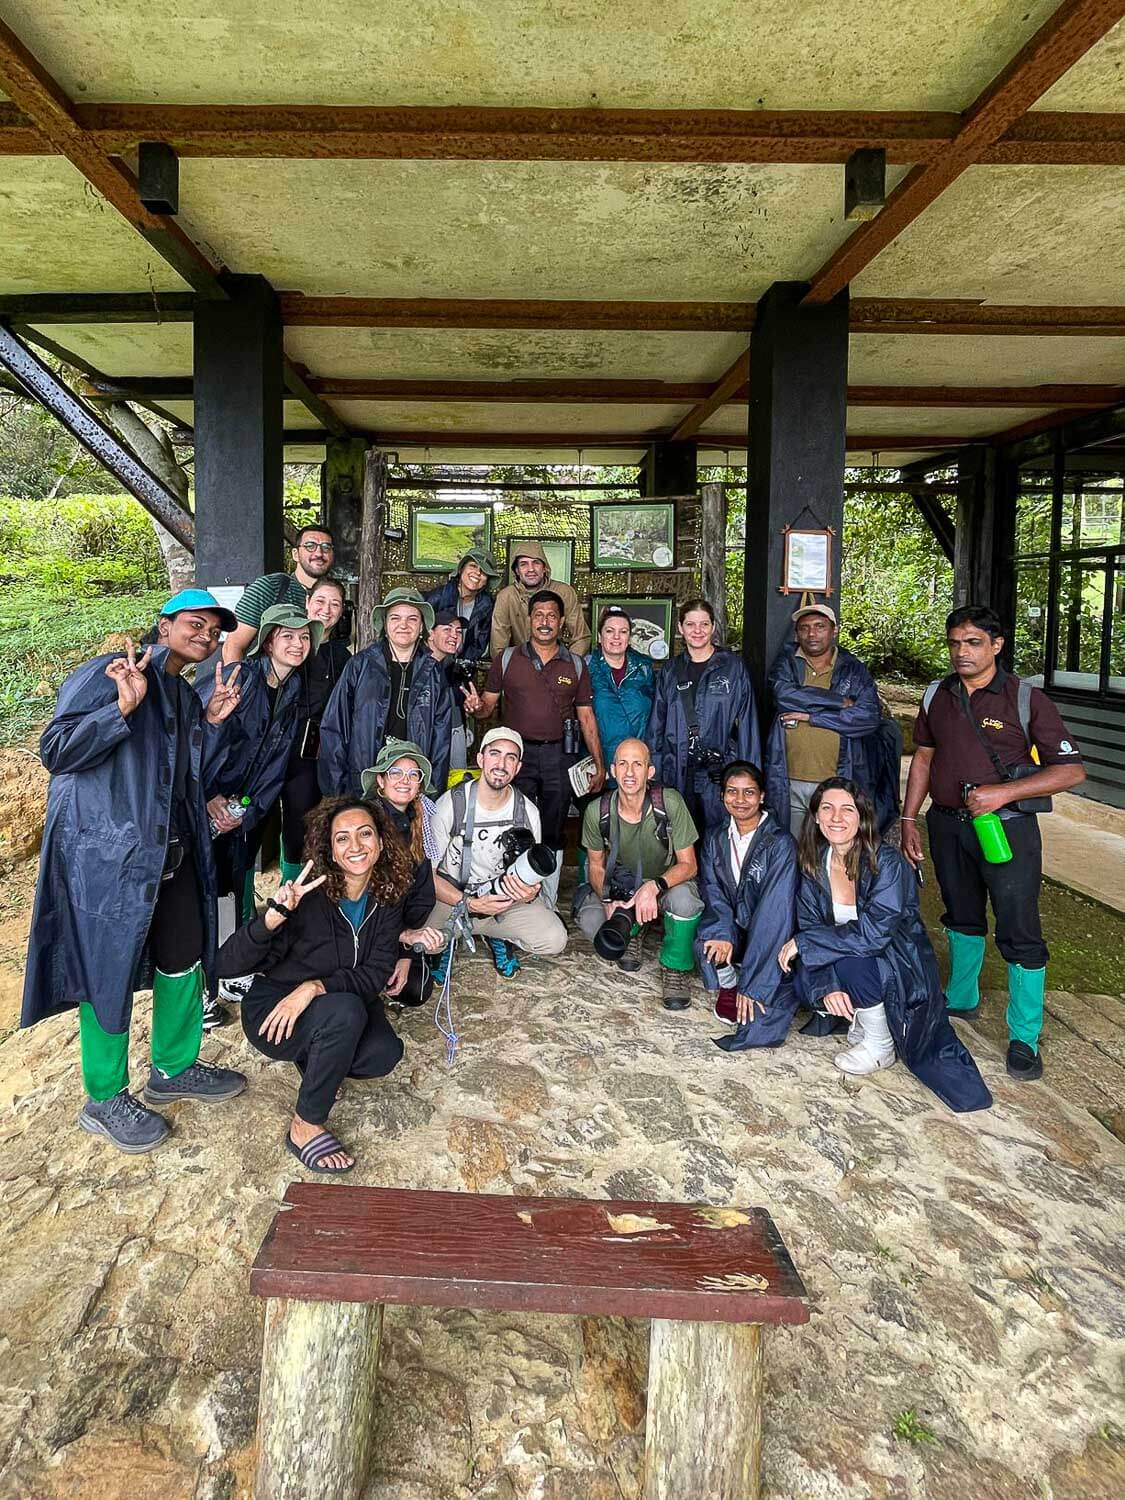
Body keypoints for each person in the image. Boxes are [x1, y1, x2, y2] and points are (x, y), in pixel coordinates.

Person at [22, 589, 248, 1153]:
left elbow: (178, 776)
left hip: (171, 856)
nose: (206, 636)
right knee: (108, 969)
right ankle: (104, 1097)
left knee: (184, 957)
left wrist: (213, 722)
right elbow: (56, 750)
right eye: (195, 624)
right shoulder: (111, 673)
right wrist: (118, 708)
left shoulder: (184, 692)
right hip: (110, 862)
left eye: (214, 631)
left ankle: (172, 1069)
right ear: (164, 624)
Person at [901, 605, 1086, 1082]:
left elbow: (1070, 770)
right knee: (960, 912)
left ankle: (1024, 1035)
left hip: (1006, 828)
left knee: (1018, 925)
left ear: (996, 645)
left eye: (973, 642)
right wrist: (908, 818)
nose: (962, 652)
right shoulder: (937, 695)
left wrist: (1005, 791)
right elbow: (923, 758)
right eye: (955, 643)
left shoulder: (1024, 698)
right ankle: (961, 998)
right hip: (946, 823)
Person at [218, 798, 413, 1173]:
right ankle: (305, 1125)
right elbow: (227, 964)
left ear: (382, 843)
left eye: (365, 834)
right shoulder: (308, 899)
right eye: (342, 839)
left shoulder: (388, 897)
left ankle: (316, 1059)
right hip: (276, 1012)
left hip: (328, 1001)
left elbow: (375, 972)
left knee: (383, 1053)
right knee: (346, 1012)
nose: (355, 846)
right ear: (332, 851)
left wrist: (313, 987)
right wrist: (273, 917)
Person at [777, 779, 992, 1111]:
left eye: (847, 809)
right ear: (816, 818)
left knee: (845, 956)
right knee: (806, 972)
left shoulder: (887, 862)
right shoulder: (813, 863)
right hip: (851, 955)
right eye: (827, 809)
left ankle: (880, 1044)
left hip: (897, 959)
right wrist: (829, 984)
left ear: (862, 817)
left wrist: (806, 944)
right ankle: (865, 1017)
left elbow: (873, 935)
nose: (836, 818)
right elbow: (812, 926)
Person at [479, 590, 605, 904]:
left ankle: (545, 901)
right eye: (539, 615)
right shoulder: (507, 659)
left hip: (559, 756)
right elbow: (486, 707)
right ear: (529, 619)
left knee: (553, 827)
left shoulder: (575, 665)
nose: (545, 621)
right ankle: (508, 898)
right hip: (516, 758)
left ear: (562, 622)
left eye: (551, 615)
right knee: (515, 824)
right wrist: (474, 706)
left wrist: (599, 764)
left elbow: (586, 717)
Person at [427, 727, 568, 979]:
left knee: (554, 939)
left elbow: (530, 872)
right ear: (481, 759)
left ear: (518, 767)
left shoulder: (528, 812)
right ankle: (451, 937)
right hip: (454, 898)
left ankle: (496, 934)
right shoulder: (451, 804)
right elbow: (429, 876)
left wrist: (528, 891)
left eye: (510, 758)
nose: (501, 764)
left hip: (503, 902)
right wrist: (469, 902)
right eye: (494, 754)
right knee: (422, 937)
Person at [575, 739, 702, 1010]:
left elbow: (689, 865)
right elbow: (596, 866)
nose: (629, 773)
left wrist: (654, 886)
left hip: (667, 882)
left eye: (637, 764)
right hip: (626, 885)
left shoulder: (669, 802)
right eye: (622, 764)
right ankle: (632, 928)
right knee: (591, 920)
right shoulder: (597, 810)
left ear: (650, 772)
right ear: (612, 771)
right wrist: (608, 899)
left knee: (685, 902)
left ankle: (675, 968)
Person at [765, 603, 893, 837]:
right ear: (797, 633)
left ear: (834, 631)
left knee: (831, 851)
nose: (811, 634)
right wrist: (838, 702)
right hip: (788, 781)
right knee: (790, 850)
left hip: (835, 782)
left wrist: (812, 717)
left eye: (819, 627)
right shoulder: (788, 662)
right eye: (804, 628)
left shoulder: (853, 670)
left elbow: (868, 717)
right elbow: (783, 695)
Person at [696, 761, 799, 1043]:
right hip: (734, 927)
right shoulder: (716, 837)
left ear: (762, 796)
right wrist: (722, 932)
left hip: (767, 931)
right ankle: (729, 982)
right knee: (709, 937)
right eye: (732, 792)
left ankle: (748, 977)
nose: (740, 801)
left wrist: (755, 987)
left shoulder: (780, 843)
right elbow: (713, 891)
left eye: (749, 792)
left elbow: (775, 912)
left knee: (763, 1013)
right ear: (722, 796)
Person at [318, 587, 454, 798]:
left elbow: (441, 741)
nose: (403, 625)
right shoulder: (359, 666)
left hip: (411, 786)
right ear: (385, 624)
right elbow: (335, 728)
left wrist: (431, 792)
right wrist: (339, 791)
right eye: (395, 618)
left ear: (421, 627)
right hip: (362, 782)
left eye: (412, 619)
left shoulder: (434, 672)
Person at [647, 597, 761, 837]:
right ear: (680, 628)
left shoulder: (732, 667)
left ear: (713, 627)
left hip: (719, 772)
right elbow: (656, 725)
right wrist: (654, 771)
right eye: (690, 624)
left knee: (720, 836)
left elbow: (747, 724)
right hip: (677, 770)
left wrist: (749, 774)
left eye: (704, 624)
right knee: (679, 836)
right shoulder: (670, 670)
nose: (697, 631)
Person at [360, 739, 446, 1006]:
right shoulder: (365, 822)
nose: (404, 780)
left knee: (416, 989)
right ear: (381, 781)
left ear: (419, 784)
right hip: (360, 931)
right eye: (396, 772)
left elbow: (421, 895)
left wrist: (405, 952)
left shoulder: (416, 823)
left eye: (413, 774)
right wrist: (401, 939)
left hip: (395, 932)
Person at [278, 576, 353, 885]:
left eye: (335, 604)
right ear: (307, 603)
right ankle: (289, 886)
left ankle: (322, 884)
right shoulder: (292, 646)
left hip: (327, 751)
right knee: (295, 820)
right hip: (288, 750)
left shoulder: (343, 656)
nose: (327, 609)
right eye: (320, 601)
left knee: (327, 817)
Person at [222, 524, 336, 662]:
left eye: (326, 547)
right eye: (310, 546)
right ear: (295, 554)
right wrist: (236, 682)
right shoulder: (270, 587)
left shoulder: (334, 598)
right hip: (263, 680)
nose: (318, 553)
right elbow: (233, 646)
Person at [586, 605, 656, 775]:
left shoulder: (644, 668)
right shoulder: (586, 667)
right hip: (598, 764)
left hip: (636, 764)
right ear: (599, 636)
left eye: (623, 631)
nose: (616, 637)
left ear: (629, 637)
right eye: (610, 631)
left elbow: (656, 717)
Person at [490, 540, 590, 656]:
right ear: (516, 571)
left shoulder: (564, 593)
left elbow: (581, 637)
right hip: (519, 663)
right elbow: (499, 646)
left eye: (536, 563)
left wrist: (567, 665)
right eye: (524, 564)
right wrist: (513, 668)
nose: (531, 569)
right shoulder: (506, 597)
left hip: (556, 660)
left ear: (544, 568)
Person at [428, 608, 485, 780]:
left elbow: (467, 704)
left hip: (455, 733)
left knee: (455, 785)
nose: (455, 635)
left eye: (458, 631)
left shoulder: (454, 668)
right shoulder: (417, 665)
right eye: (447, 629)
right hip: (429, 736)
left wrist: (472, 707)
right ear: (430, 634)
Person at [424, 547, 502, 662]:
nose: (478, 573)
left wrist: (463, 666)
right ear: (461, 569)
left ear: (487, 580)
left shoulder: (487, 606)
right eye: (473, 566)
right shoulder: (437, 598)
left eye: (484, 571)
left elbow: (479, 644)